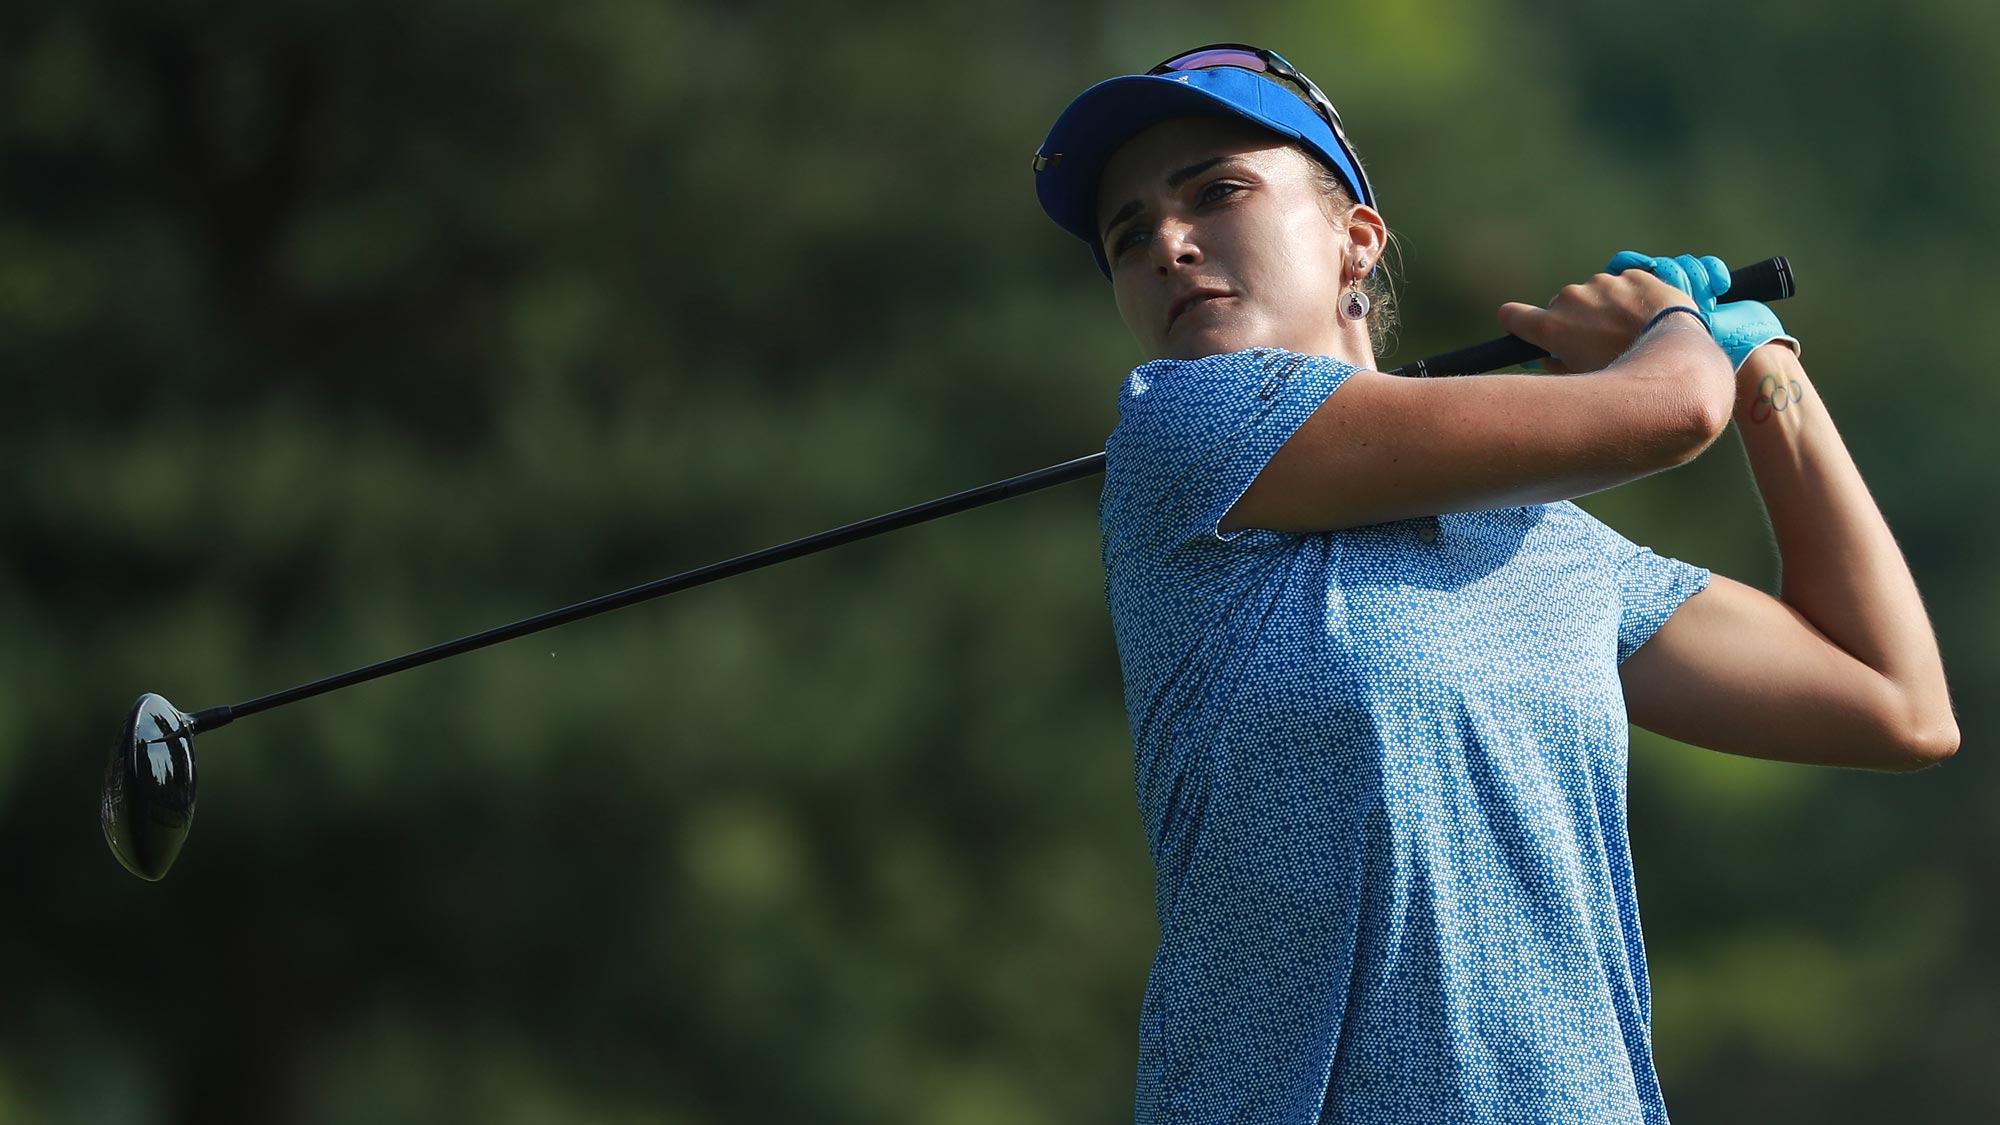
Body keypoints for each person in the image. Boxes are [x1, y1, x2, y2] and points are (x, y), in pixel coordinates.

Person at [1031, 43, 1960, 1125]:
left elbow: (1896, 702)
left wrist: (1765, 372)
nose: (1169, 246)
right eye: (1127, 236)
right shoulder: (1181, 434)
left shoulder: (1549, 546)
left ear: (1355, 241)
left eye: (1215, 192)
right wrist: (1668, 327)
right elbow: (1667, 413)